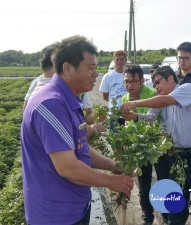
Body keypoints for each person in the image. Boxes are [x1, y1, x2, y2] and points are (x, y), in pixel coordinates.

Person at [21, 35, 134, 225]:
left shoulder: (69, 99)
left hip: (74, 207)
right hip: (55, 215)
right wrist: (111, 182)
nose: (96, 74)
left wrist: (112, 165)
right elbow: (68, 167)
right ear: (67, 68)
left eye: (96, 68)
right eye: (90, 68)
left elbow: (78, 145)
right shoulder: (50, 104)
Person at [121, 66, 191, 225]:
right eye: (154, 84)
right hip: (177, 157)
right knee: (175, 202)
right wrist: (135, 116)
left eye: (158, 82)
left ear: (171, 79)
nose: (156, 87)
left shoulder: (187, 89)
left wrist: (134, 103)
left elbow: (167, 100)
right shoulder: (162, 100)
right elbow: (150, 117)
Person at [121, 64, 169, 225]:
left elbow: (152, 117)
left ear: (142, 80)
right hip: (140, 149)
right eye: (126, 81)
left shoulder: (152, 94)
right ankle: (147, 217)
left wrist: (135, 116)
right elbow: (128, 125)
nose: (130, 85)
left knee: (163, 182)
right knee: (144, 185)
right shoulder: (124, 99)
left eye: (134, 81)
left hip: (158, 146)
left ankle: (167, 216)